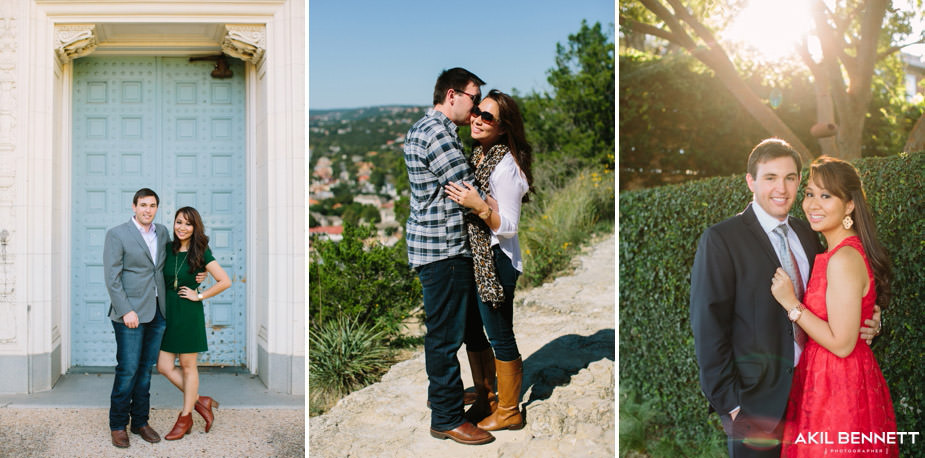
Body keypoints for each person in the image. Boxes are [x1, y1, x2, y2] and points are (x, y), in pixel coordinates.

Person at [689, 139, 882, 457]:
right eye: (770, 177)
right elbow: (708, 327)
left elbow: (837, 299)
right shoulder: (722, 240)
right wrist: (731, 405)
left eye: (791, 178)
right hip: (756, 404)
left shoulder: (809, 233)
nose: (782, 188)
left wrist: (870, 320)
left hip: (816, 394)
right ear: (750, 181)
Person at [771, 157, 897, 457]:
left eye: (825, 196)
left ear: (850, 205)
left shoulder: (842, 259)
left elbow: (841, 344)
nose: (813, 204)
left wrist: (792, 304)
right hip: (827, 380)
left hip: (839, 386)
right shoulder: (834, 252)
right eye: (810, 193)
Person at [403, 67, 496, 445]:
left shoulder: (425, 129)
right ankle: (445, 417)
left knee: (454, 329)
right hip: (444, 249)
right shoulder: (438, 134)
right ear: (453, 95)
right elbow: (466, 189)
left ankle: (447, 397)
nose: (475, 110)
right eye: (474, 99)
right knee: (444, 337)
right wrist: (501, 210)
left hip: (439, 247)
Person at [444, 89, 533, 431]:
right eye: (478, 112)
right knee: (475, 332)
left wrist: (477, 204)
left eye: (488, 117)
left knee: (499, 334)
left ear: (503, 127)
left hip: (499, 260)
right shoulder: (480, 156)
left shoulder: (505, 167)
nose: (478, 119)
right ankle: (487, 398)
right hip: (482, 255)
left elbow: (509, 227)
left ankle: (510, 411)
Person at [156, 206, 231, 440]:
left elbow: (225, 281)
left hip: (189, 314)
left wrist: (199, 295)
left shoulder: (201, 251)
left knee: (188, 366)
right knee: (164, 366)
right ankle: (201, 401)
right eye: (179, 222)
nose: (182, 227)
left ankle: (185, 417)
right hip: (169, 314)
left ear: (194, 227)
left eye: (188, 224)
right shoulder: (167, 248)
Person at [103, 188, 170, 448]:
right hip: (129, 313)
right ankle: (118, 425)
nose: (147, 210)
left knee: (145, 372)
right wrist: (125, 309)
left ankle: (140, 421)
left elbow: (176, 259)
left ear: (156, 208)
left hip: (157, 311)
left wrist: (199, 274)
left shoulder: (162, 232)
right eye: (143, 205)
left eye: (152, 205)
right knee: (128, 370)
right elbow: (112, 277)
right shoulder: (117, 234)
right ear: (134, 206)